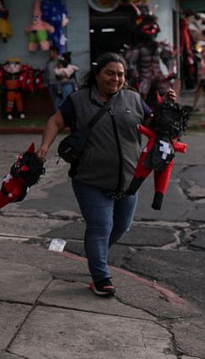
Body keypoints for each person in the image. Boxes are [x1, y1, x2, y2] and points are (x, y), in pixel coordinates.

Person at [36, 52, 176, 297]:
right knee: (101, 226)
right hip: (90, 180)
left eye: (120, 74)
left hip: (129, 181)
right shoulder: (79, 100)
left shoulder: (133, 98)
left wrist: (165, 108)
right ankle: (101, 278)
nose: (116, 78)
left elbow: (154, 126)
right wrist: (45, 147)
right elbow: (55, 122)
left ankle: (95, 256)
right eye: (110, 73)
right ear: (97, 74)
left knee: (120, 228)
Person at [45, 46, 61, 111]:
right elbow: (46, 72)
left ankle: (58, 112)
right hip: (51, 84)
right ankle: (56, 112)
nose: (49, 54)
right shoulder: (48, 62)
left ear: (55, 53)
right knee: (54, 99)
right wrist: (45, 82)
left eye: (51, 52)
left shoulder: (60, 61)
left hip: (59, 83)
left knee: (59, 98)